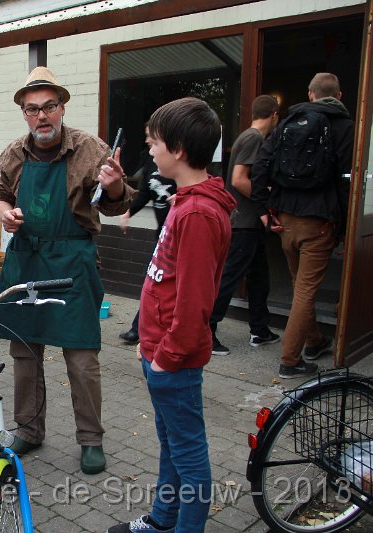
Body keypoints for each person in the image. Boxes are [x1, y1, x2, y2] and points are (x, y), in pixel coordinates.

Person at [0, 66, 134, 475]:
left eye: (49, 106)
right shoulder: (13, 154)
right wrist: (5, 215)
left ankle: (90, 439)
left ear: (62, 107)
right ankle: (29, 430)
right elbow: (1, 196)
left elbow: (119, 205)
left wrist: (113, 186)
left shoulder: (91, 149)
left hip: (73, 261)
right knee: (24, 353)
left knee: (81, 358)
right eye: (32, 108)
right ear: (24, 113)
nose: (42, 116)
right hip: (26, 260)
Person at [108, 97, 235, 533]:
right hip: (159, 351)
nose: (151, 151)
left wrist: (166, 356)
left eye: (154, 143)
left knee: (188, 453)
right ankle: (163, 519)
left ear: (178, 148)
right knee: (171, 443)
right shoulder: (186, 200)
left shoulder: (198, 212)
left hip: (172, 359)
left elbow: (195, 301)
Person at [251, 73, 353, 379]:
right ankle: (290, 361)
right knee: (305, 291)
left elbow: (260, 166)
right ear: (340, 94)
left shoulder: (286, 123)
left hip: (285, 220)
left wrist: (263, 210)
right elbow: (346, 181)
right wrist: (345, 226)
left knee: (300, 287)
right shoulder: (344, 126)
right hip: (318, 222)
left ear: (310, 94)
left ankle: (314, 341)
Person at [210, 95, 281, 356]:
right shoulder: (253, 138)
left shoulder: (249, 137)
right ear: (274, 114)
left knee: (259, 277)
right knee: (228, 278)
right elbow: (240, 180)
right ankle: (207, 330)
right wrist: (266, 199)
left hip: (249, 222)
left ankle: (260, 330)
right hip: (243, 222)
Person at [118, 124, 177, 344]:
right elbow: (145, 193)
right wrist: (128, 213)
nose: (146, 143)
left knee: (166, 286)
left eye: (150, 138)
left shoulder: (176, 162)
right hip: (162, 236)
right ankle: (140, 329)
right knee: (154, 284)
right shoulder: (152, 159)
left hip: (178, 237)